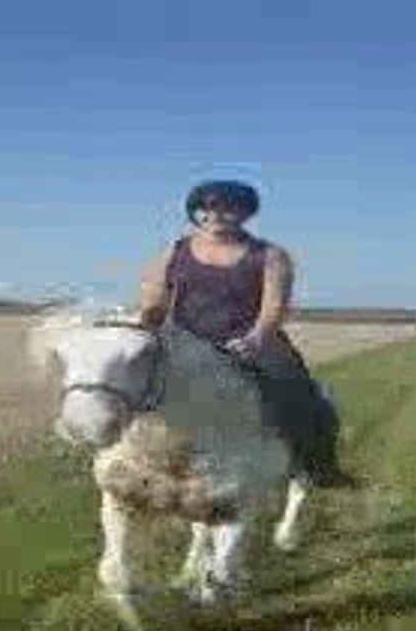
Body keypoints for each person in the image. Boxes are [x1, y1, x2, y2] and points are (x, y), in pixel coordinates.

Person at [137, 180, 338, 478]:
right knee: (134, 384)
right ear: (195, 213)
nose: (215, 215)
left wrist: (255, 340)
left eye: (227, 208)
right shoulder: (174, 251)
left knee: (296, 390)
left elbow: (274, 308)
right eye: (206, 208)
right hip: (185, 343)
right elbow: (154, 302)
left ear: (246, 213)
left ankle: (317, 466)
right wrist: (145, 330)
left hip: (250, 343)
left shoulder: (270, 255)